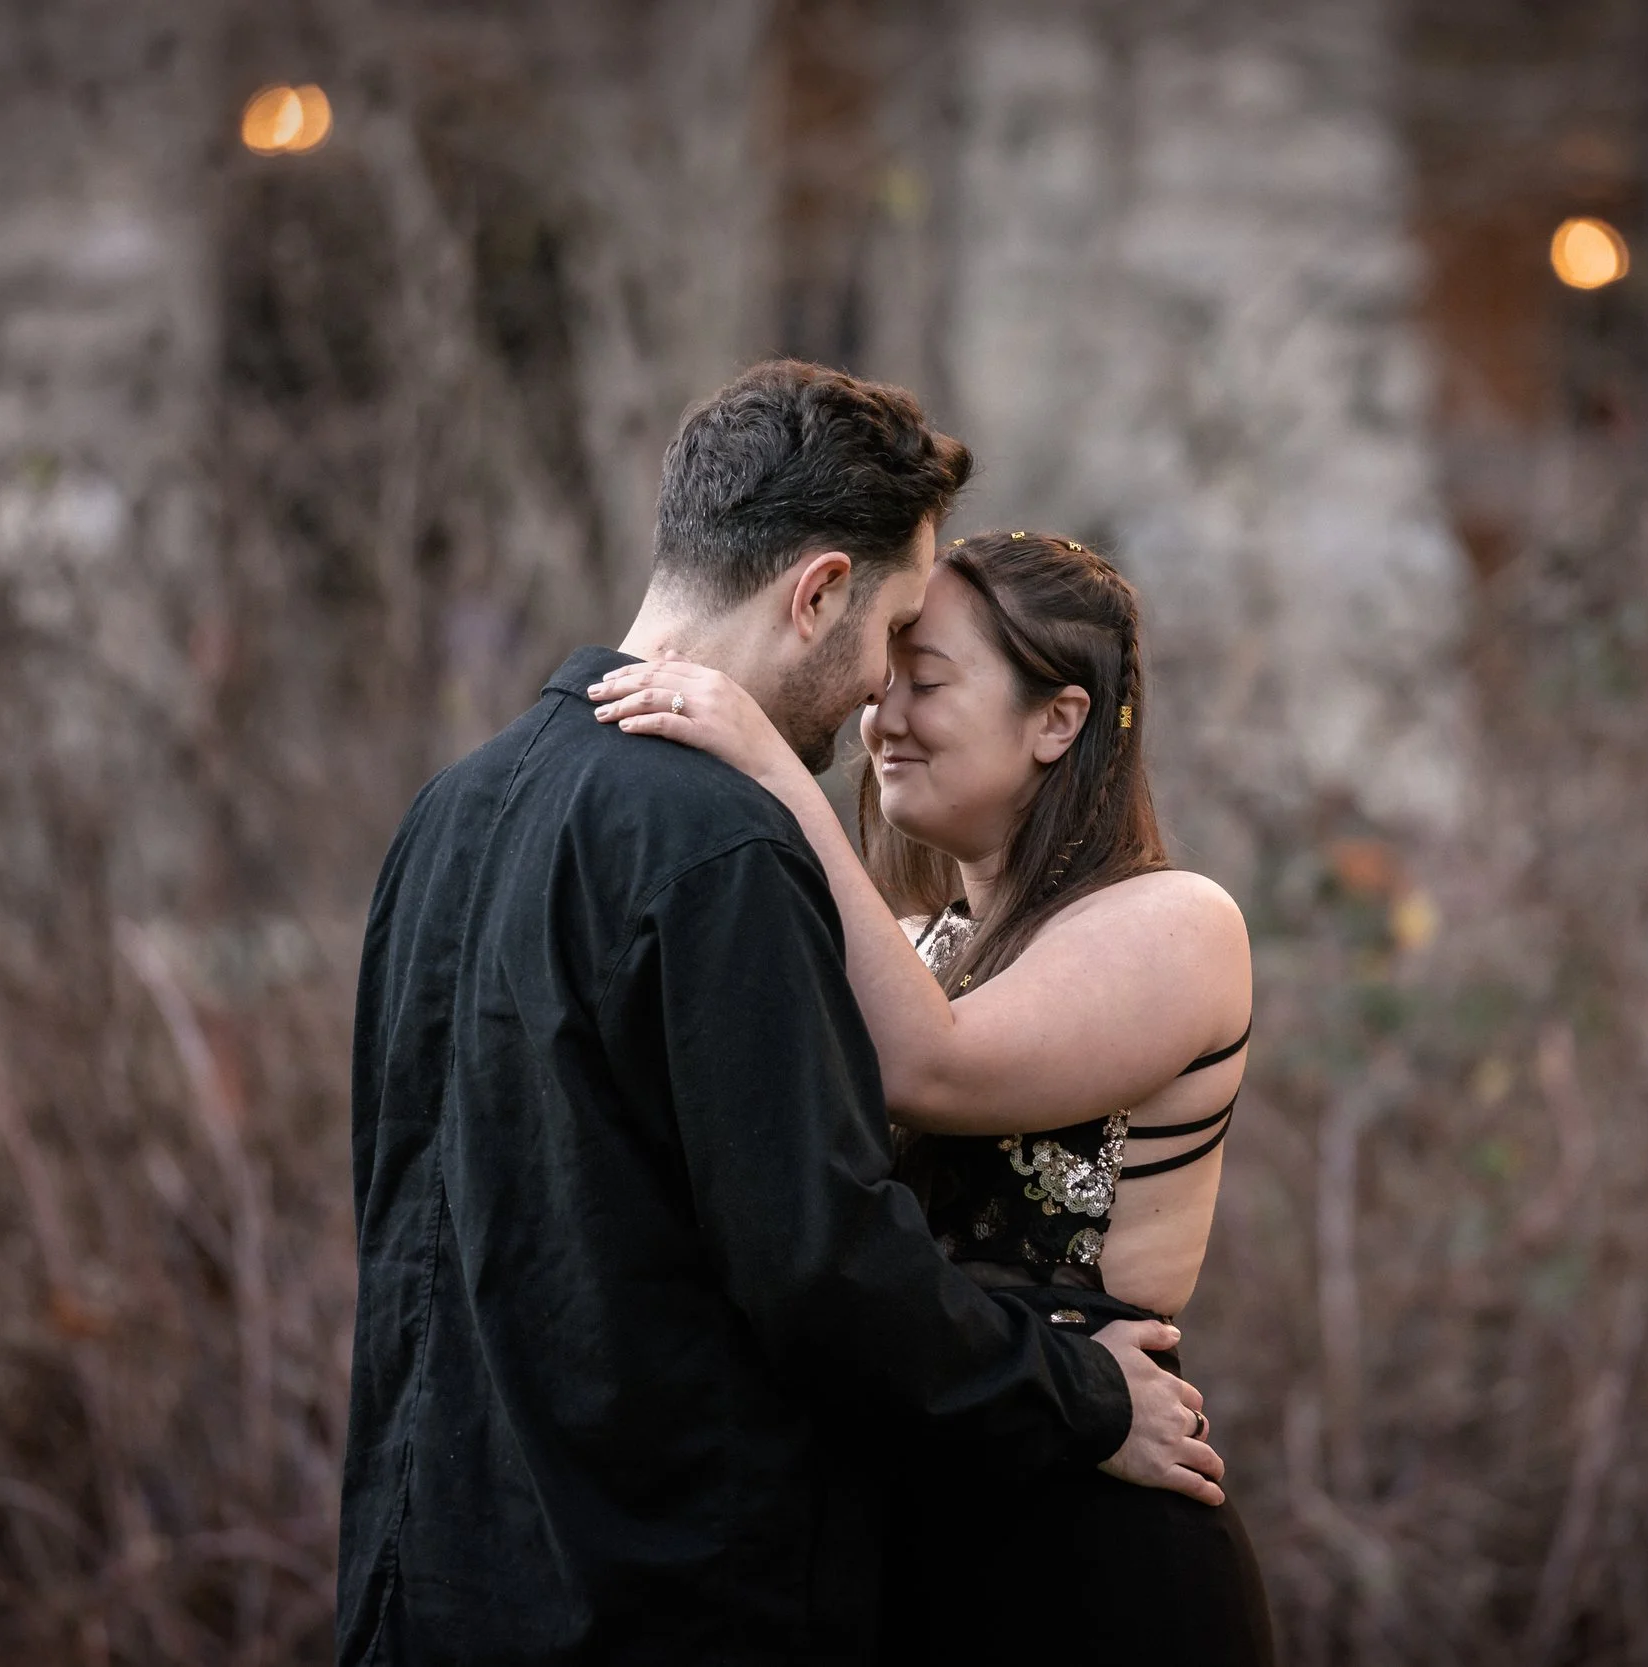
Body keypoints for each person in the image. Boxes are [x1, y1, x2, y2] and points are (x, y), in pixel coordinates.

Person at [337, 362, 1224, 1667]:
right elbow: (819, 1258)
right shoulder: (717, 840)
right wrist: (1086, 1392)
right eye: (892, 633)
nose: (879, 696)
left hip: (430, 1574)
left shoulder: (451, 811)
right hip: (651, 1597)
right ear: (818, 592)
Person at [590, 528, 1275, 1663]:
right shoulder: (913, 943)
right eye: (881, 678)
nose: (880, 716)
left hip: (1087, 1543)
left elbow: (935, 1063)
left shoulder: (1178, 924)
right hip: (901, 1532)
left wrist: (772, 769)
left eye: (927, 683)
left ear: (1058, 719)